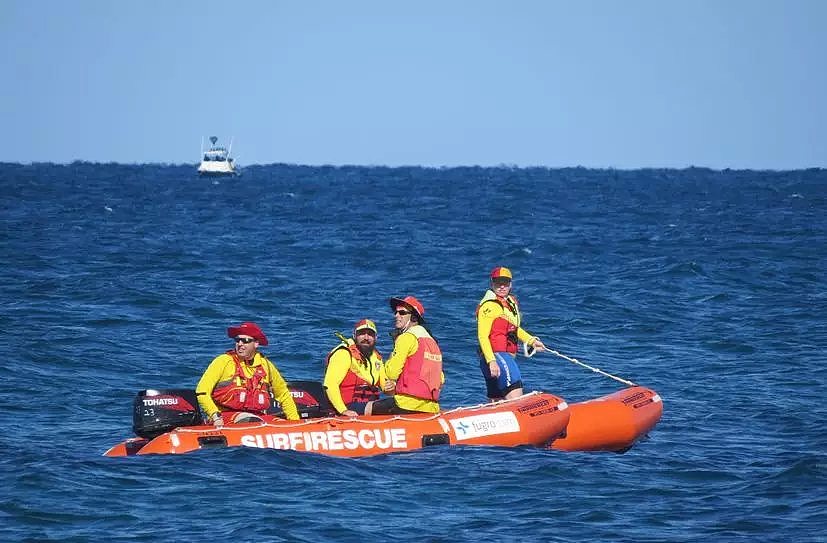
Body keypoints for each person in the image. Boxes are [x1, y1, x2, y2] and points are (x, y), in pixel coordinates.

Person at [196, 321, 299, 426]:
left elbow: (283, 394)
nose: (240, 344)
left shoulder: (266, 365)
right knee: (250, 420)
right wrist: (215, 416)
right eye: (237, 340)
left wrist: (295, 422)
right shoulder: (223, 361)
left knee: (280, 424)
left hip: (258, 417)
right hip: (224, 416)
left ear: (256, 343)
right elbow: (202, 392)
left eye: (245, 341)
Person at [476, 267, 547, 400]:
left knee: (497, 400)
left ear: (511, 284)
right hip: (497, 357)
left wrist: (531, 341)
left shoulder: (509, 303)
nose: (502, 286)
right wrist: (492, 361)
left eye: (505, 283)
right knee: (515, 392)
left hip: (500, 358)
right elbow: (482, 336)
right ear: (492, 284)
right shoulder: (489, 306)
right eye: (498, 283)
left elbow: (514, 328)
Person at [371, 296, 444, 415]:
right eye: (396, 312)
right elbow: (440, 379)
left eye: (402, 312)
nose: (396, 315)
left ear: (414, 317)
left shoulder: (406, 338)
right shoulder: (433, 343)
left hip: (405, 404)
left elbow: (391, 373)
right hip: (431, 407)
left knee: (365, 407)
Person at [323, 318, 387, 416]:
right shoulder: (344, 353)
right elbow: (330, 385)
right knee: (390, 405)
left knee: (399, 403)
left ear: (376, 338)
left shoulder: (376, 358)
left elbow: (385, 387)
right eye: (362, 333)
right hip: (348, 406)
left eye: (370, 334)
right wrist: (343, 410)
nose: (366, 337)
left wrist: (392, 387)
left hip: (368, 406)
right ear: (354, 336)